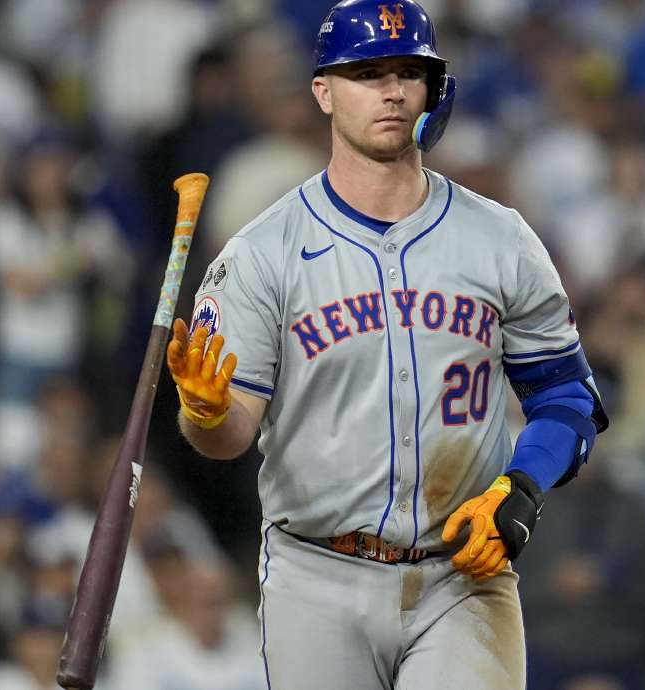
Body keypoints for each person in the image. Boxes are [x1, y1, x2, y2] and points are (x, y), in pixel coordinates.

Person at [164, 1, 609, 688]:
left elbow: (567, 398)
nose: (393, 91)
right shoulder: (263, 253)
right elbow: (228, 436)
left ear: (433, 88)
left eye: (409, 72)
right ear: (323, 91)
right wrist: (207, 413)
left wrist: (519, 491)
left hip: (461, 571)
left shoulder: (501, 239)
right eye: (367, 72)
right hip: (317, 575)